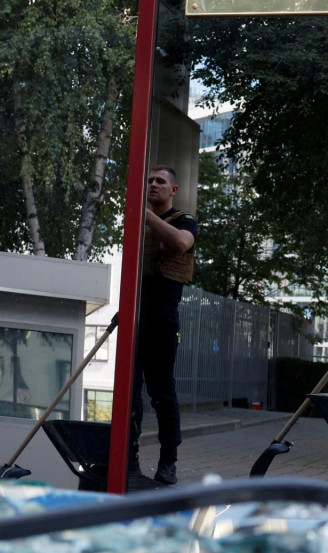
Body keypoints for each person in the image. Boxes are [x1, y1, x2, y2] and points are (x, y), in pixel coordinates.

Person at [128, 165, 198, 486]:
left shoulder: (185, 221)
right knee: (130, 393)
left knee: (162, 392)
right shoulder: (138, 225)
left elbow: (182, 244)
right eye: (149, 180)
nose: (153, 185)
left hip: (164, 323)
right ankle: (128, 459)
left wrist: (145, 216)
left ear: (173, 190)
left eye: (160, 182)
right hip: (135, 319)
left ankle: (168, 458)